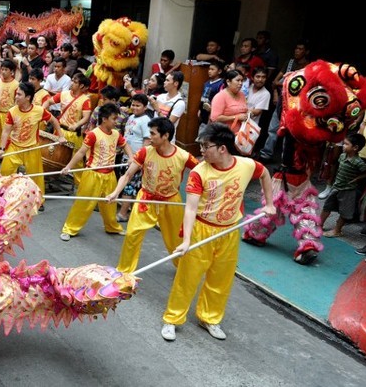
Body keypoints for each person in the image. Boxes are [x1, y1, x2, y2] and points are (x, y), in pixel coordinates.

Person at [160, 123, 275, 342]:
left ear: (222, 148)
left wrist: (269, 203)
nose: (201, 150)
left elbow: (265, 174)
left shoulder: (246, 165)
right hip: (202, 230)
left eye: (205, 146)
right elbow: (191, 208)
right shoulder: (198, 173)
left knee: (220, 278)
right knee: (188, 278)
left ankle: (209, 317)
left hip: (230, 231)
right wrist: (186, 241)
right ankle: (172, 319)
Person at [108, 116, 199, 271]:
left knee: (176, 239)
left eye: (153, 134)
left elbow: (202, 173)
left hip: (170, 200)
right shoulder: (145, 152)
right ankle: (124, 271)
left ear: (165, 136)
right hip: (146, 198)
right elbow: (128, 175)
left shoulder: (184, 156)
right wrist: (115, 192)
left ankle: (183, 268)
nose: (149, 137)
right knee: (132, 235)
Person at [59, 103, 132, 241]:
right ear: (104, 119)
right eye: (114, 119)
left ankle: (112, 227)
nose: (116, 122)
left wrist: (131, 157)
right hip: (93, 174)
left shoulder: (116, 134)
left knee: (110, 204)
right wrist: (68, 167)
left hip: (110, 174)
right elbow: (81, 152)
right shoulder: (93, 134)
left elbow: (125, 145)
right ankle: (69, 228)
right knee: (83, 204)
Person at [0, 82, 63, 208]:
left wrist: (61, 136)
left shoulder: (39, 111)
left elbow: (54, 120)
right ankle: (1, 198)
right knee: (5, 171)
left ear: (28, 97)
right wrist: (1, 149)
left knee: (36, 176)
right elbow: (6, 131)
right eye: (16, 94)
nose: (16, 96)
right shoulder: (12, 111)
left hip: (32, 148)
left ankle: (39, 201)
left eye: (19, 94)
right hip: (15, 147)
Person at [258, 40, 311, 163]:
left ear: (306, 52)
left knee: (290, 134)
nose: (297, 51)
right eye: (296, 48)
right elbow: (275, 82)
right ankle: (266, 155)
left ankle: (286, 160)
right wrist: (277, 93)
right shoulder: (290, 63)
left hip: (296, 106)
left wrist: (286, 82)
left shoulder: (308, 67)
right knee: (273, 129)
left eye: (300, 49)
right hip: (282, 101)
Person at [43, 73, 92, 185]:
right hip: (60, 131)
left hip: (74, 134)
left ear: (82, 86)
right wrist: (41, 112)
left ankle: (79, 185)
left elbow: (86, 117)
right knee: (54, 156)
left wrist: (77, 125)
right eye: (72, 81)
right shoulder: (64, 94)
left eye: (75, 82)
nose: (72, 83)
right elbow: (48, 102)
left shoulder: (85, 100)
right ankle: (52, 179)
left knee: (77, 161)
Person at [319, 133, 366, 237]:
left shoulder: (358, 162)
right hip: (336, 187)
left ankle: (337, 230)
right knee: (327, 206)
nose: (343, 146)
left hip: (348, 190)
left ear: (355, 148)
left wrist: (357, 178)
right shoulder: (342, 156)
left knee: (344, 211)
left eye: (346, 144)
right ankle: (319, 224)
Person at [114, 94, 152, 222]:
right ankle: (128, 207)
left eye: (138, 105)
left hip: (136, 159)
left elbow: (147, 141)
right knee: (125, 182)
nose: (134, 107)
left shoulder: (146, 121)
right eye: (133, 105)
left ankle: (123, 213)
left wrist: (139, 159)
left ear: (145, 107)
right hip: (126, 156)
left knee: (129, 185)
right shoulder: (130, 117)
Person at [0, 59, 19, 156]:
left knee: (8, 135)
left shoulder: (16, 85)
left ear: (12, 71)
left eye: (6, 69)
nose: (3, 71)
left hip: (9, 114)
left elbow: (17, 102)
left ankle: (6, 155)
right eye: (2, 69)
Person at [149, 71, 185, 141]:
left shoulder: (179, 103)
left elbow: (168, 124)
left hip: (166, 140)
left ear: (176, 83)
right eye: (165, 80)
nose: (164, 82)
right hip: (154, 137)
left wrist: (157, 109)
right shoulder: (160, 97)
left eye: (167, 80)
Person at [209, 69, 248, 134]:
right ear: (228, 82)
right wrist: (236, 117)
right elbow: (215, 118)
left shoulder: (242, 94)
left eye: (242, 80)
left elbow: (243, 109)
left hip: (240, 134)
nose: (241, 83)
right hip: (224, 134)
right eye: (238, 80)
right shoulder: (220, 96)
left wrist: (248, 113)